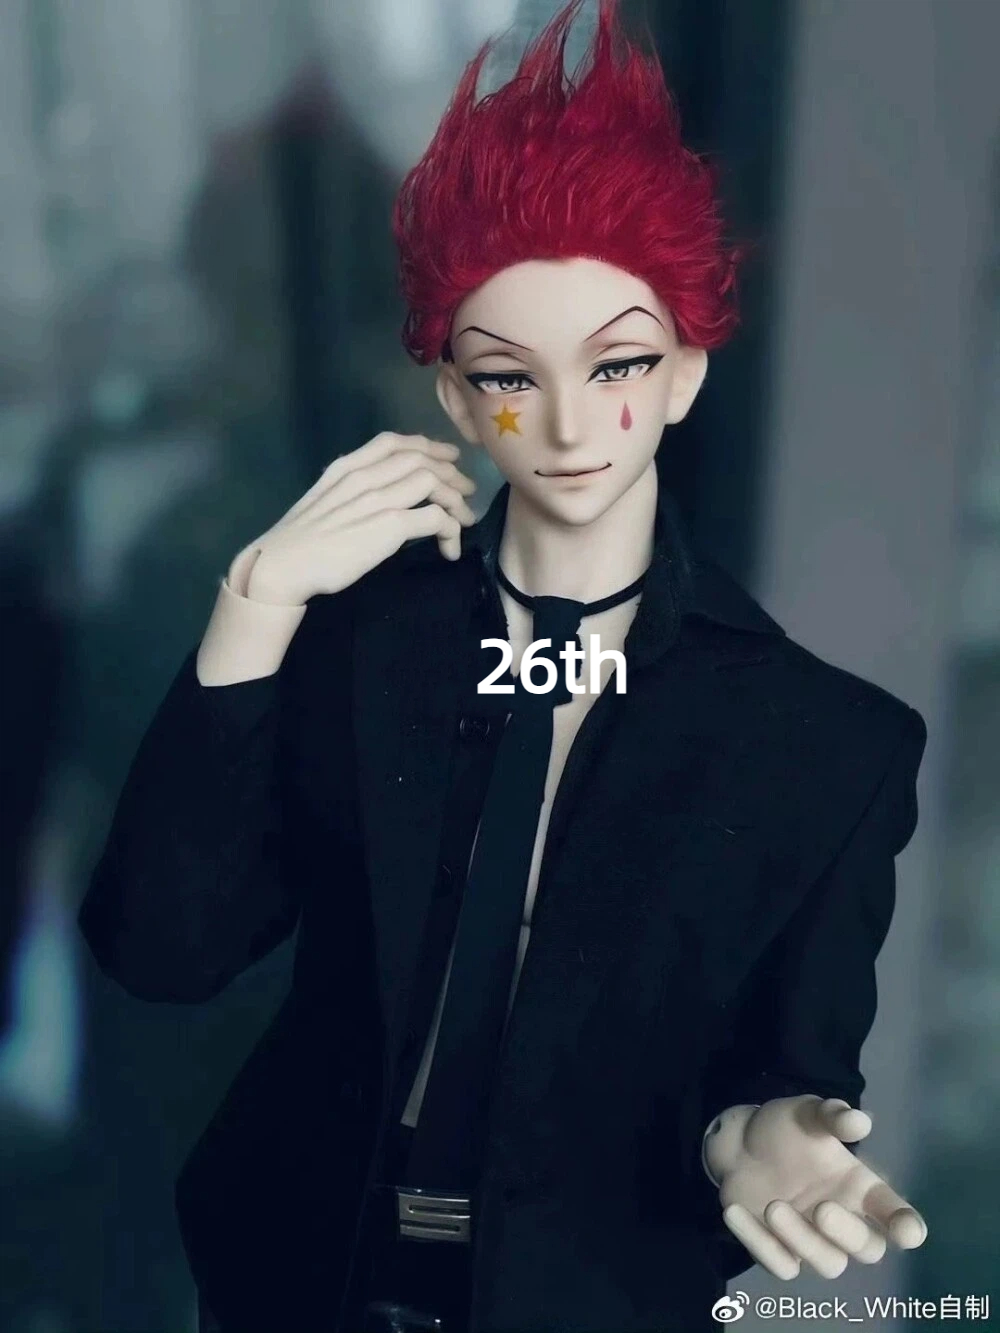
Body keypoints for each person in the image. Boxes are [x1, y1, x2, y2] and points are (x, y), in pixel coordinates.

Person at [78, 3, 929, 1330]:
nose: (573, 423)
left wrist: (761, 1134)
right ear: (460, 401)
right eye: (512, 377)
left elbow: (787, 1062)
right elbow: (161, 949)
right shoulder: (360, 644)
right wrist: (255, 606)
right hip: (297, 1278)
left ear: (688, 373)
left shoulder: (827, 745)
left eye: (621, 362)